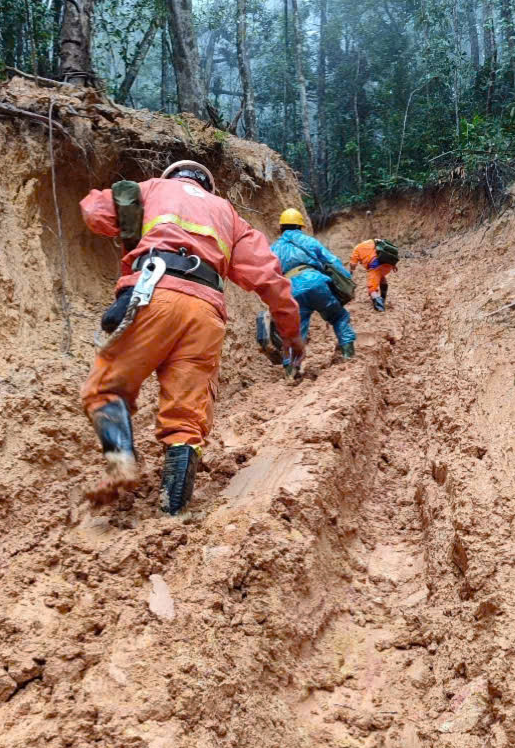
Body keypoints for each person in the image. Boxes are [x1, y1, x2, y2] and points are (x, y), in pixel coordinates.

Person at [80, 159, 303, 514]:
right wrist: (291, 333)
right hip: (205, 312)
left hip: (152, 294)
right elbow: (269, 279)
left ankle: (121, 460)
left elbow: (95, 211)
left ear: (172, 176)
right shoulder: (228, 214)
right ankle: (172, 510)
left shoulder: (152, 187)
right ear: (208, 186)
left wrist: (127, 229)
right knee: (186, 415)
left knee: (107, 388)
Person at [270, 208, 356, 362]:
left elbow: (269, 275)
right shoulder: (309, 241)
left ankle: (291, 370)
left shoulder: (273, 248)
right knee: (338, 316)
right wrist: (347, 278)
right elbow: (331, 261)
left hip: (291, 291)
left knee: (294, 333)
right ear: (300, 226)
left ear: (281, 227)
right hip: (317, 283)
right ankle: (348, 354)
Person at [349, 239, 397, 311]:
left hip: (375, 266)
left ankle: (380, 307)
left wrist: (351, 271)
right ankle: (382, 298)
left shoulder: (356, 249)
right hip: (389, 265)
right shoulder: (371, 241)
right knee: (381, 278)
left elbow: (353, 264)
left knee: (372, 288)